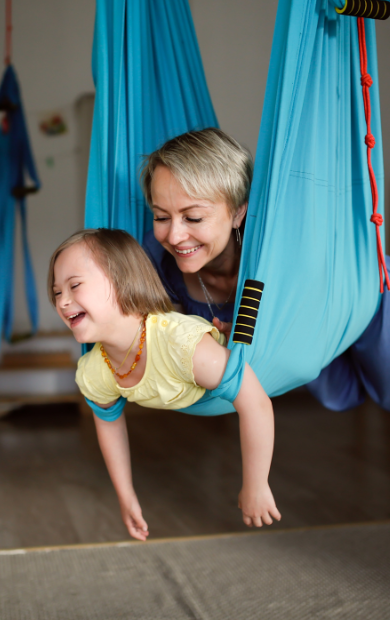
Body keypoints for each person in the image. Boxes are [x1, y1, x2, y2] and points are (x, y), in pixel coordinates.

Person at [140, 128, 390, 415]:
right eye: (161, 217)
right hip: (310, 329)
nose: (174, 236)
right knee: (340, 392)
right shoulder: (157, 267)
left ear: (239, 213)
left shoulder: (276, 246)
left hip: (348, 292)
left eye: (193, 218)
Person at [49, 229, 281, 540]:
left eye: (74, 285)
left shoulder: (182, 345)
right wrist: (126, 496)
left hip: (251, 357)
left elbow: (255, 403)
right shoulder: (95, 371)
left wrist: (256, 484)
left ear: (122, 280)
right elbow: (108, 424)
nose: (63, 302)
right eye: (56, 292)